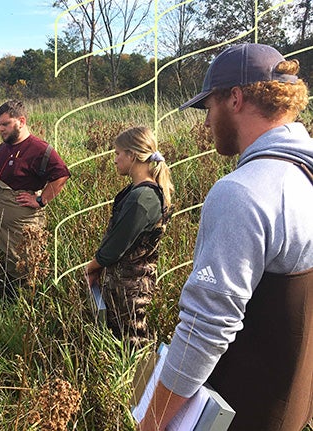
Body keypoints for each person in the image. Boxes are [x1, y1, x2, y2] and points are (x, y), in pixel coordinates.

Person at [139, 43, 313, 431]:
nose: (205, 123)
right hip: (293, 410)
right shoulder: (304, 175)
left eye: (208, 107)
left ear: (235, 98)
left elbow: (205, 328)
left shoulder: (243, 190)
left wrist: (150, 422)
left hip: (241, 415)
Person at [0, 100, 70, 300]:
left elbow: (62, 175)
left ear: (21, 121)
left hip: (21, 225)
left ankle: (26, 307)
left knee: (22, 268)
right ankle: (1, 302)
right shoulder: (0, 150)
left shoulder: (40, 149)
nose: (1, 129)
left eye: (5, 124)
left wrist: (40, 200)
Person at [84, 126, 173, 349]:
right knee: (122, 338)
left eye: (118, 153)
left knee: (133, 341)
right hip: (124, 284)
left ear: (132, 155)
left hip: (130, 287)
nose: (115, 160)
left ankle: (143, 382)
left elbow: (117, 245)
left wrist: (92, 266)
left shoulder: (143, 198)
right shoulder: (139, 192)